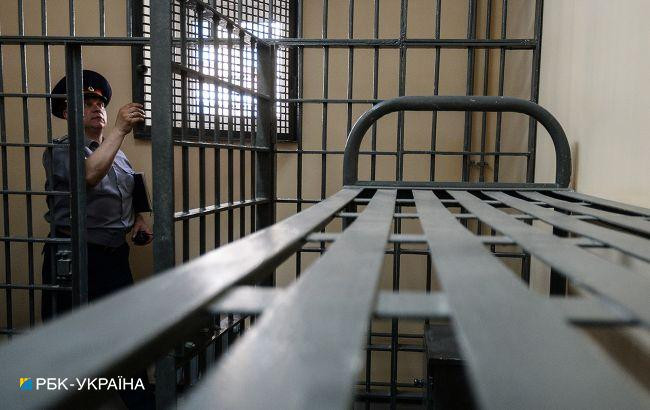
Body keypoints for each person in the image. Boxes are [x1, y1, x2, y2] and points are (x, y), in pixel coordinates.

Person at [42, 70, 155, 409]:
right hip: (73, 255)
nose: (96, 107)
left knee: (126, 338)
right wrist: (119, 130)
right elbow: (90, 175)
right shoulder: (61, 150)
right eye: (86, 102)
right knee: (65, 342)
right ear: (67, 113)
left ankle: (141, 406)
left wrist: (139, 218)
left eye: (100, 102)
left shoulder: (117, 154)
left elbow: (130, 185)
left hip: (113, 256)